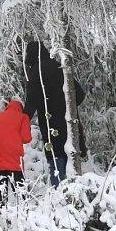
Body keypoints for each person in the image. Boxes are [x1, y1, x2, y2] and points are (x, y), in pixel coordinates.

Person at [22, 40, 85, 187]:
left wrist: (21, 121)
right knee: (71, 154)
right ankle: (75, 194)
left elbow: (32, 101)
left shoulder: (36, 72)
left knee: (56, 159)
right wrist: (66, 106)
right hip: (69, 122)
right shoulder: (60, 67)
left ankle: (60, 194)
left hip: (50, 124)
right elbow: (80, 94)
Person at [0, 99, 31, 192]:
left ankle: (1, 205)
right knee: (20, 191)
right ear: (21, 109)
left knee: (0, 191)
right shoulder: (23, 117)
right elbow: (26, 138)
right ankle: (24, 204)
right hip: (13, 157)